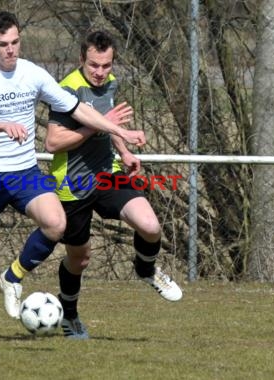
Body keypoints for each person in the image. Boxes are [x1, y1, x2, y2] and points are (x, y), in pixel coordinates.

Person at [0, 12, 146, 340]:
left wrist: (121, 133)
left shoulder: (33, 74)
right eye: (2, 44)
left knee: (56, 223)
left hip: (23, 173)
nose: (10, 50)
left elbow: (79, 110)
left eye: (15, 42)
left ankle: (11, 277)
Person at [45, 30, 183, 340]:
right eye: (94, 65)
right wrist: (96, 124)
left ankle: (146, 270)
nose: (100, 72)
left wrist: (124, 151)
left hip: (108, 174)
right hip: (74, 184)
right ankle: (70, 317)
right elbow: (54, 142)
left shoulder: (110, 83)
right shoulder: (66, 90)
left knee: (149, 225)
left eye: (106, 65)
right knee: (79, 259)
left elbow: (111, 126)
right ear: (82, 59)